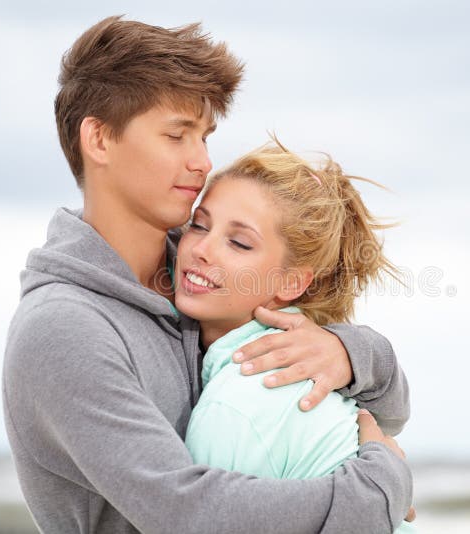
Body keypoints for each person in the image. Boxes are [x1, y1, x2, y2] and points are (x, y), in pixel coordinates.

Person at [2, 15, 413, 533]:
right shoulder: (64, 328)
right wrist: (379, 489)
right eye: (177, 136)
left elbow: (385, 408)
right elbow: (189, 512)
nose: (202, 162)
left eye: (204, 136)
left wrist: (350, 353)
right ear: (99, 140)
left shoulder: (201, 272)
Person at [177, 141, 417, 533]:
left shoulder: (235, 408)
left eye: (238, 242)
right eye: (199, 224)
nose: (201, 248)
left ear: (291, 282)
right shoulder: (291, 372)